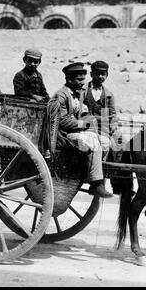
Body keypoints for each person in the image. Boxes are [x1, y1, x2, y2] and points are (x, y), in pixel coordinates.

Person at [47, 62, 113, 198]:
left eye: (83, 79)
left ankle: (93, 174)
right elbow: (62, 121)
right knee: (92, 142)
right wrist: (83, 124)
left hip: (76, 131)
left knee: (106, 142)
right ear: (69, 79)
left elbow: (83, 112)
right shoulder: (62, 95)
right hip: (64, 135)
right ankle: (95, 183)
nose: (83, 83)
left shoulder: (76, 94)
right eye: (79, 80)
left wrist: (90, 120)